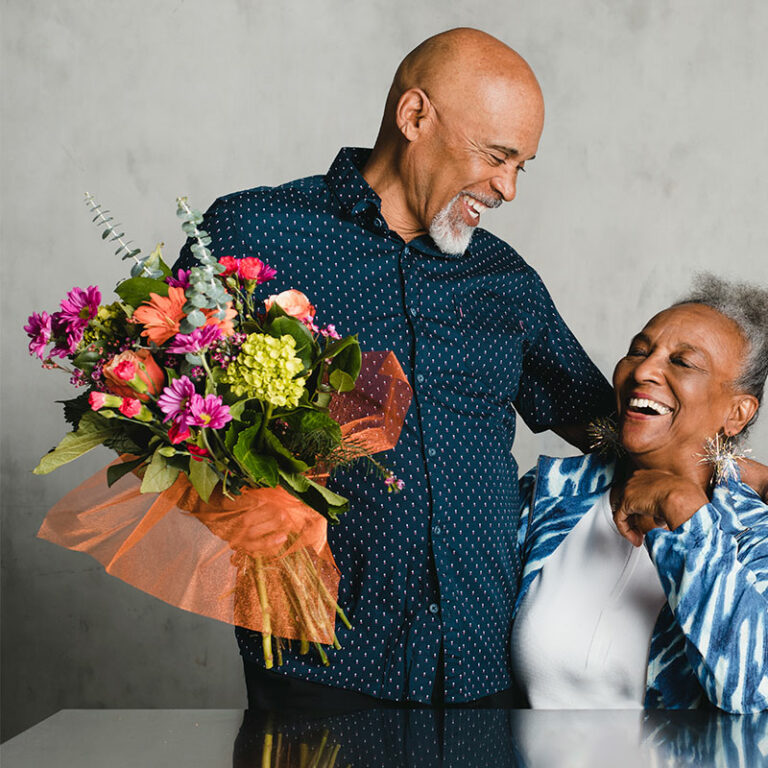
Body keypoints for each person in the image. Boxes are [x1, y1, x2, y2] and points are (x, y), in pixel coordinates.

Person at [175, 27, 616, 708]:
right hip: (317, 670)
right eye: (498, 156)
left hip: (483, 673)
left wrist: (729, 471)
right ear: (414, 117)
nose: (508, 188)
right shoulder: (251, 235)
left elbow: (612, 430)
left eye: (522, 165)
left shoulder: (505, 279)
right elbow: (171, 414)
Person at [512, 275, 768, 713]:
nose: (644, 371)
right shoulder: (548, 498)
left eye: (683, 362)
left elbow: (751, 690)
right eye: (639, 350)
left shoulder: (752, 533)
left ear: (737, 412)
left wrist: (685, 513)